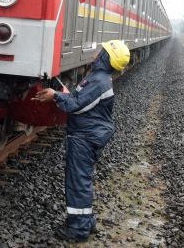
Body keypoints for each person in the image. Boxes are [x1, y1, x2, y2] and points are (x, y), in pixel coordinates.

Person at [33, 39, 130, 243]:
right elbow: (80, 100)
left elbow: (76, 105)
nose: (96, 52)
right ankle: (86, 221)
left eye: (101, 51)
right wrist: (63, 94)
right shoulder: (98, 77)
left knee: (78, 182)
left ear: (105, 57)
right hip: (88, 133)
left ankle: (78, 229)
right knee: (82, 179)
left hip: (85, 136)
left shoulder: (98, 81)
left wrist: (55, 96)